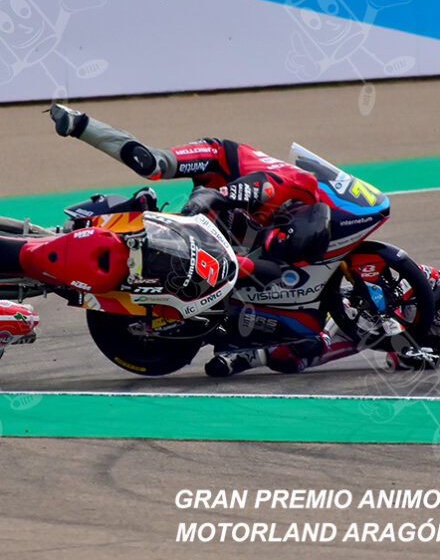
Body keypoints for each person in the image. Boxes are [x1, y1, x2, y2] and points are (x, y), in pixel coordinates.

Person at [49, 104, 440, 375]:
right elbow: (241, 192)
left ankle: (214, 329)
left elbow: (296, 334)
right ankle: (81, 124)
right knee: (154, 164)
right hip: (219, 165)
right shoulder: (292, 186)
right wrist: (212, 195)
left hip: (221, 226)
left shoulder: (281, 239)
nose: (282, 243)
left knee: (296, 329)